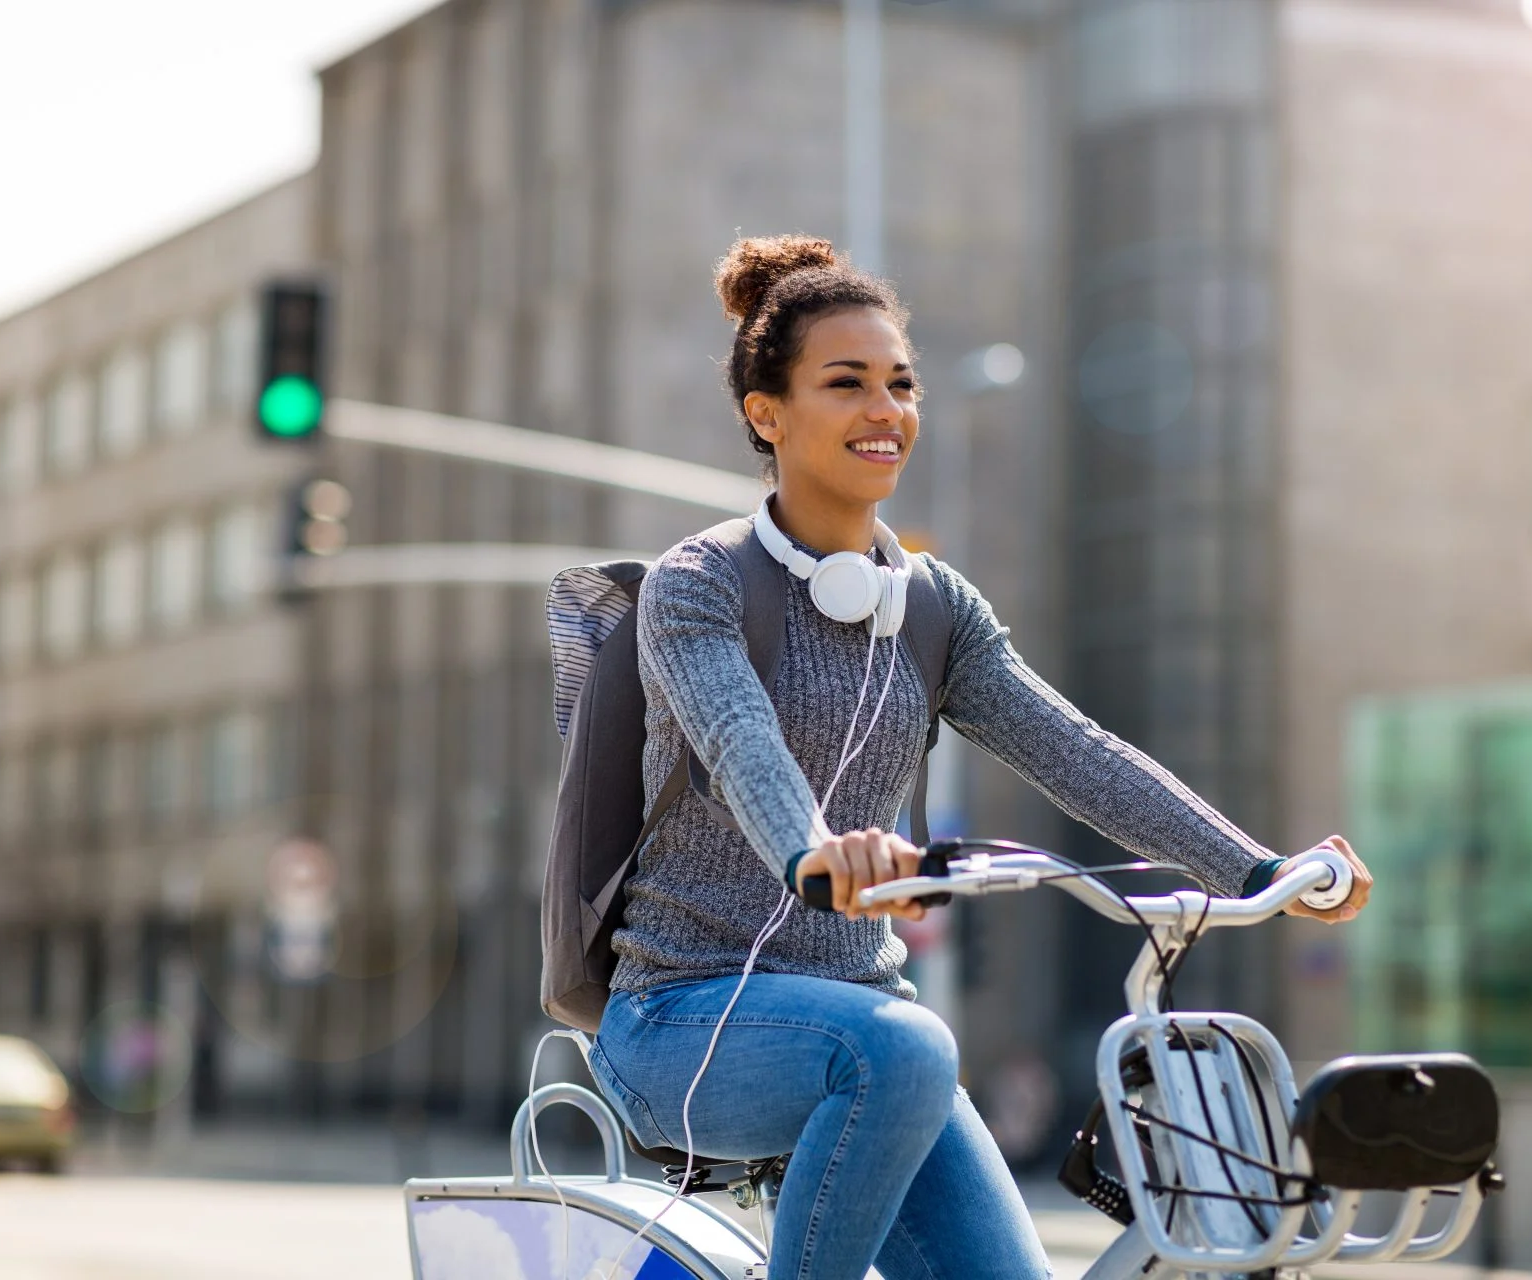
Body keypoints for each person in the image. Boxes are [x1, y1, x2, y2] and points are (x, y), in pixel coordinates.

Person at [584, 235, 1372, 1280]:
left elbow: (1077, 750)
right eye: (847, 383)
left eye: (901, 385)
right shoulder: (701, 583)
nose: (887, 410)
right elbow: (739, 739)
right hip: (683, 1019)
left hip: (867, 1031)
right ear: (765, 413)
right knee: (906, 1046)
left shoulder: (932, 607)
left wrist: (1257, 866)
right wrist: (809, 851)